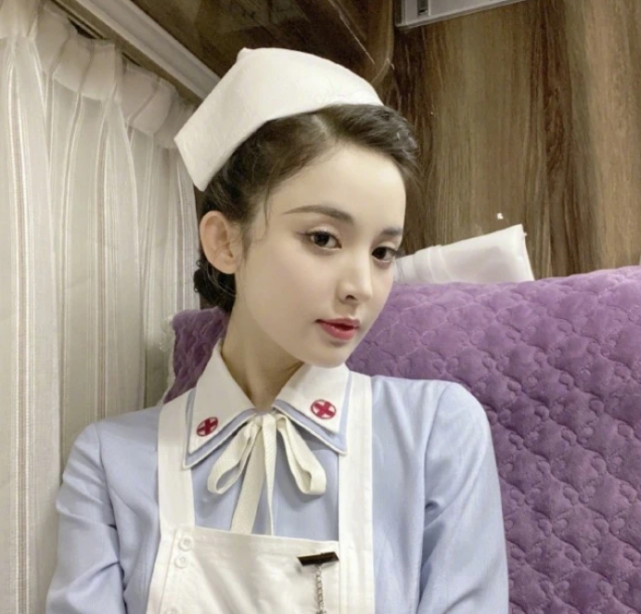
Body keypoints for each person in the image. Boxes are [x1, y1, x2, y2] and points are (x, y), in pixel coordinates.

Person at [45, 47, 509, 613]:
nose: (361, 286)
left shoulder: (436, 432)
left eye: (383, 252)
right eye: (323, 238)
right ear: (225, 242)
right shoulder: (110, 462)